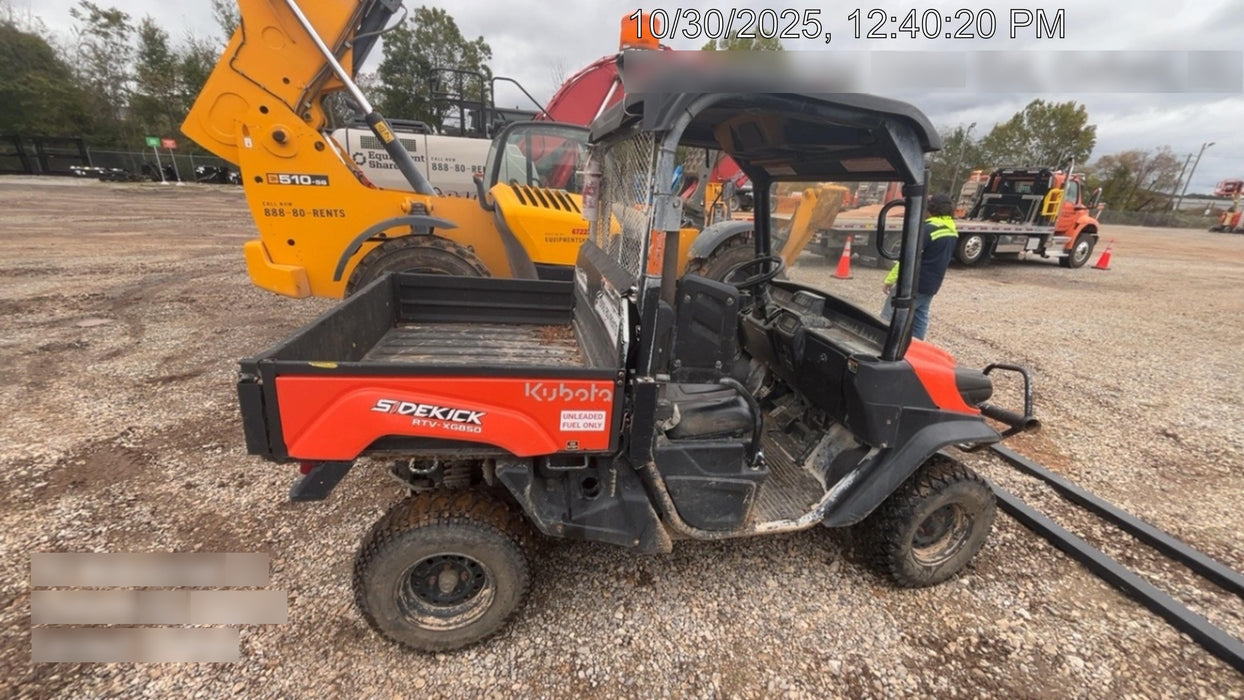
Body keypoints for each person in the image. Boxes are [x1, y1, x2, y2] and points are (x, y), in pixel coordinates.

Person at [880, 193, 958, 340]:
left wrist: (890, 279)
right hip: (932, 283)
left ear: (931, 208)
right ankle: (918, 347)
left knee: (889, 315)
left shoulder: (928, 229)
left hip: (914, 282)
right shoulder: (952, 230)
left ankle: (884, 343)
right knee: (920, 316)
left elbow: (908, 257)